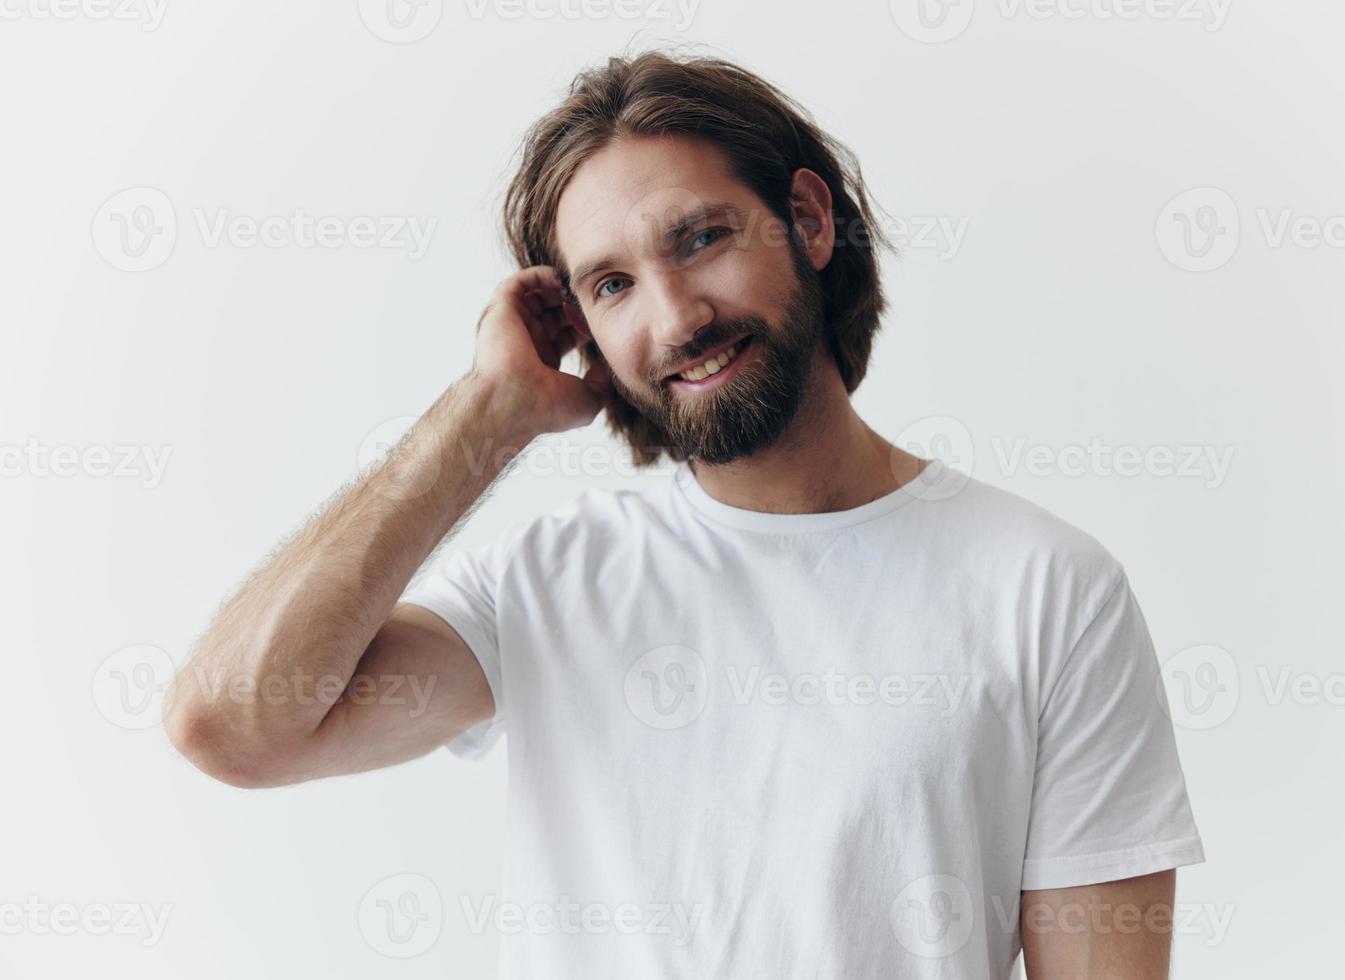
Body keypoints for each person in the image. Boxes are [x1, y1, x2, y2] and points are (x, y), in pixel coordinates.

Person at [164, 49, 1205, 980]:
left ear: (807, 217)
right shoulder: (549, 582)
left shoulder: (1045, 586)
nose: (674, 317)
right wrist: (484, 415)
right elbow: (234, 725)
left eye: (701, 239)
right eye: (612, 285)